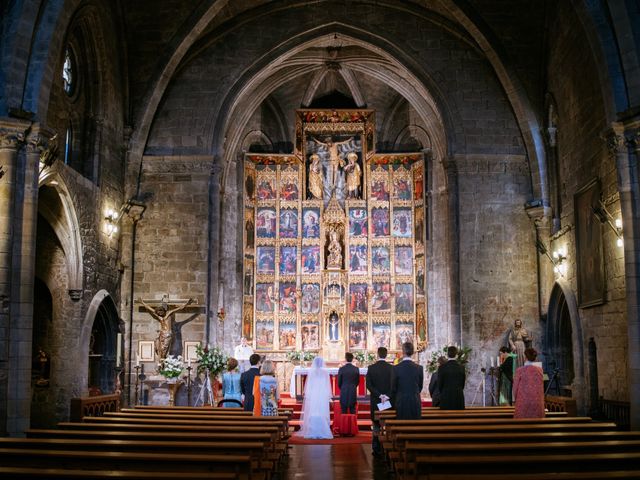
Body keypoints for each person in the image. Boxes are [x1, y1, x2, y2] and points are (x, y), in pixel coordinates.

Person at [366, 347, 394, 457]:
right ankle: (388, 447)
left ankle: (376, 448)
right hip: (387, 400)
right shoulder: (392, 368)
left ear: (378, 354)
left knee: (376, 425)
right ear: (386, 355)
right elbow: (394, 385)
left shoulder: (371, 368)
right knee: (388, 423)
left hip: (376, 400)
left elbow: (369, 385)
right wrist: (386, 395)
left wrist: (379, 395)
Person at [297, 357, 333, 439]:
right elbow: (327, 385)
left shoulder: (312, 372)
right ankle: (323, 430)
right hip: (322, 394)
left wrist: (308, 394)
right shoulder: (325, 372)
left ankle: (312, 430)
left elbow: (309, 385)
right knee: (322, 411)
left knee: (313, 411)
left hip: (314, 393)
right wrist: (328, 395)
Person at [391, 342, 423, 419]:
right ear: (412, 352)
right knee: (415, 426)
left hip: (401, 401)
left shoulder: (396, 368)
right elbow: (420, 386)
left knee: (401, 426)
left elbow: (393, 387)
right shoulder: (419, 368)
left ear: (403, 351)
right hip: (415, 401)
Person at [513, 348, 545, 418]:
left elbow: (515, 388)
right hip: (537, 403)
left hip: (523, 403)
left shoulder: (520, 370)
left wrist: (516, 399)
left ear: (525, 357)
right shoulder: (540, 370)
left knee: (522, 425)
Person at [437, 345, 466, 410]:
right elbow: (463, 384)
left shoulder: (442, 368)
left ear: (447, 354)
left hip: (445, 397)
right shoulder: (461, 368)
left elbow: (439, 385)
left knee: (445, 418)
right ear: (456, 354)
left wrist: (444, 392)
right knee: (459, 419)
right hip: (458, 397)